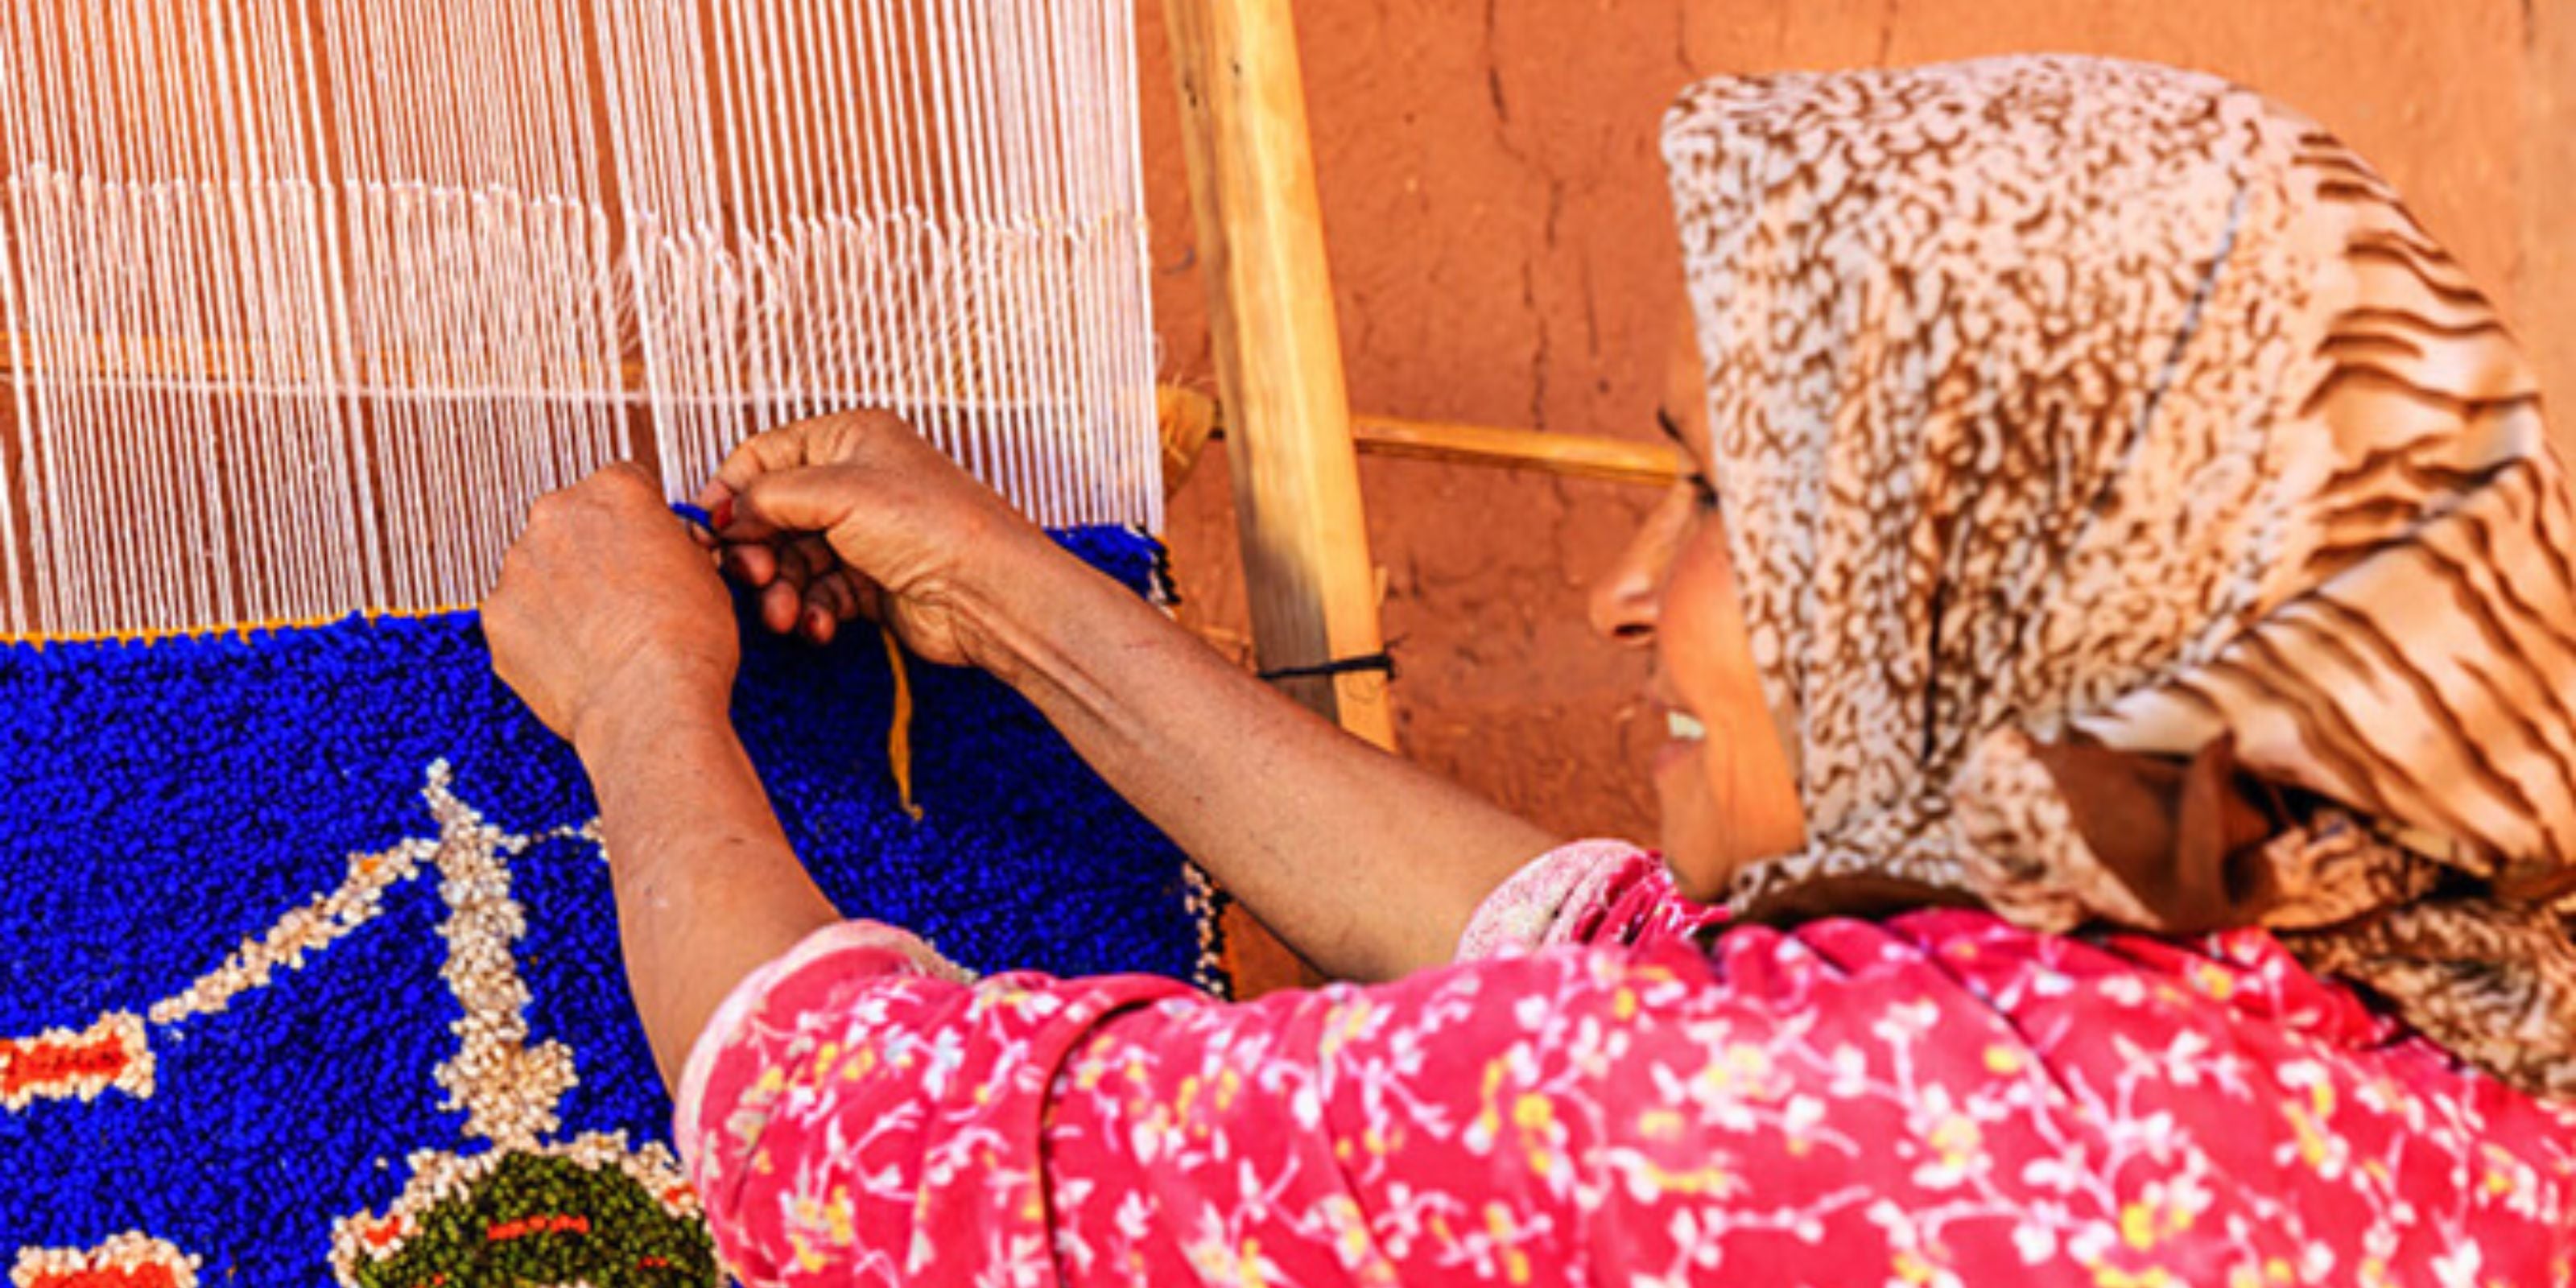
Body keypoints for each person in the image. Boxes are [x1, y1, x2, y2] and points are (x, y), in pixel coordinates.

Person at [482, 56, 2575, 1286]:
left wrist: (642, 691)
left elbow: (860, 1156)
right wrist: (1019, 600)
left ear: (1997, 584)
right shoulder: (2390, 1021)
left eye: (1721, 502)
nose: (1626, 595)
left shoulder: (1842, 1118)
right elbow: (1590, 964)